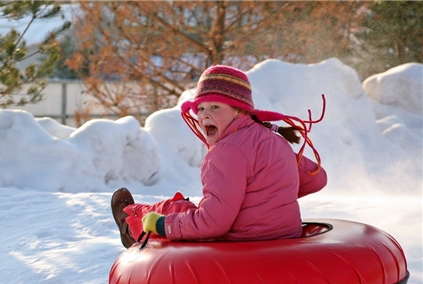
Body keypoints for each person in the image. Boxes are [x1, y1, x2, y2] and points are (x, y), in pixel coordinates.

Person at [112, 64, 327, 248]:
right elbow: (317, 178)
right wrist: (268, 194)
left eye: (215, 107)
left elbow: (214, 224)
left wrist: (161, 224)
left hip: (243, 243)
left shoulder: (226, 151)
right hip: (284, 237)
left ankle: (131, 221)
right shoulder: (275, 139)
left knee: (177, 209)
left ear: (239, 111)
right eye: (201, 108)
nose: (205, 114)